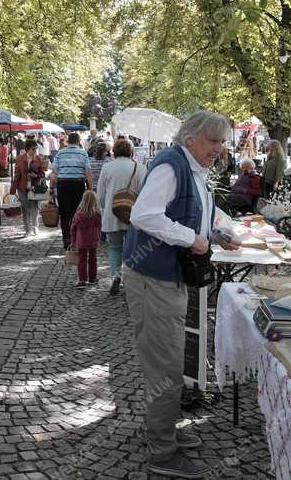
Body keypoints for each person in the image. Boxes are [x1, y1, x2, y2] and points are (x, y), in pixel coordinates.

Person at [122, 110, 240, 479]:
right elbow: (145, 215)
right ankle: (162, 451)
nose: (218, 149)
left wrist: (215, 234)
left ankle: (163, 433)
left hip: (163, 277)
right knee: (166, 367)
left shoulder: (191, 168)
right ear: (190, 139)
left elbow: (194, 212)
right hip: (153, 279)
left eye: (222, 142)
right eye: (213, 141)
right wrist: (193, 238)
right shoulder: (173, 165)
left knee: (169, 364)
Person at [96, 139, 146, 296]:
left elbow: (101, 194)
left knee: (115, 248)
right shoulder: (140, 168)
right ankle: (132, 280)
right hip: (134, 215)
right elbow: (145, 193)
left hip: (113, 214)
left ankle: (115, 276)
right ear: (131, 151)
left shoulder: (107, 167)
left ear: (114, 152)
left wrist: (105, 206)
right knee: (134, 250)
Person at [50, 133, 93, 249]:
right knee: (77, 212)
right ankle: (76, 237)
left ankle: (66, 239)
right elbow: (88, 172)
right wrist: (90, 188)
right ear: (78, 141)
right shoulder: (83, 153)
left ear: (68, 141)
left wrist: (51, 188)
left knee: (64, 214)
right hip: (78, 184)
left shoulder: (60, 153)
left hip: (63, 184)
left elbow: (53, 173)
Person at [9, 139, 47, 237]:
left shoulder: (39, 159)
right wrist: (13, 190)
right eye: (33, 149)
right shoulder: (20, 159)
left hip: (36, 187)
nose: (35, 151)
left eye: (36, 149)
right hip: (22, 187)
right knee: (26, 208)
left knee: (35, 207)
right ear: (27, 149)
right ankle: (27, 229)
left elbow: (43, 173)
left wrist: (37, 176)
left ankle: (35, 227)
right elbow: (17, 175)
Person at [70, 191, 102, 287]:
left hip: (81, 241)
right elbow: (99, 227)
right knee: (93, 259)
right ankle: (93, 278)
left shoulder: (78, 215)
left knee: (82, 260)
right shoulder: (97, 214)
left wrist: (73, 241)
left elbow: (73, 229)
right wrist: (98, 238)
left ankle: (82, 280)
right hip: (93, 240)